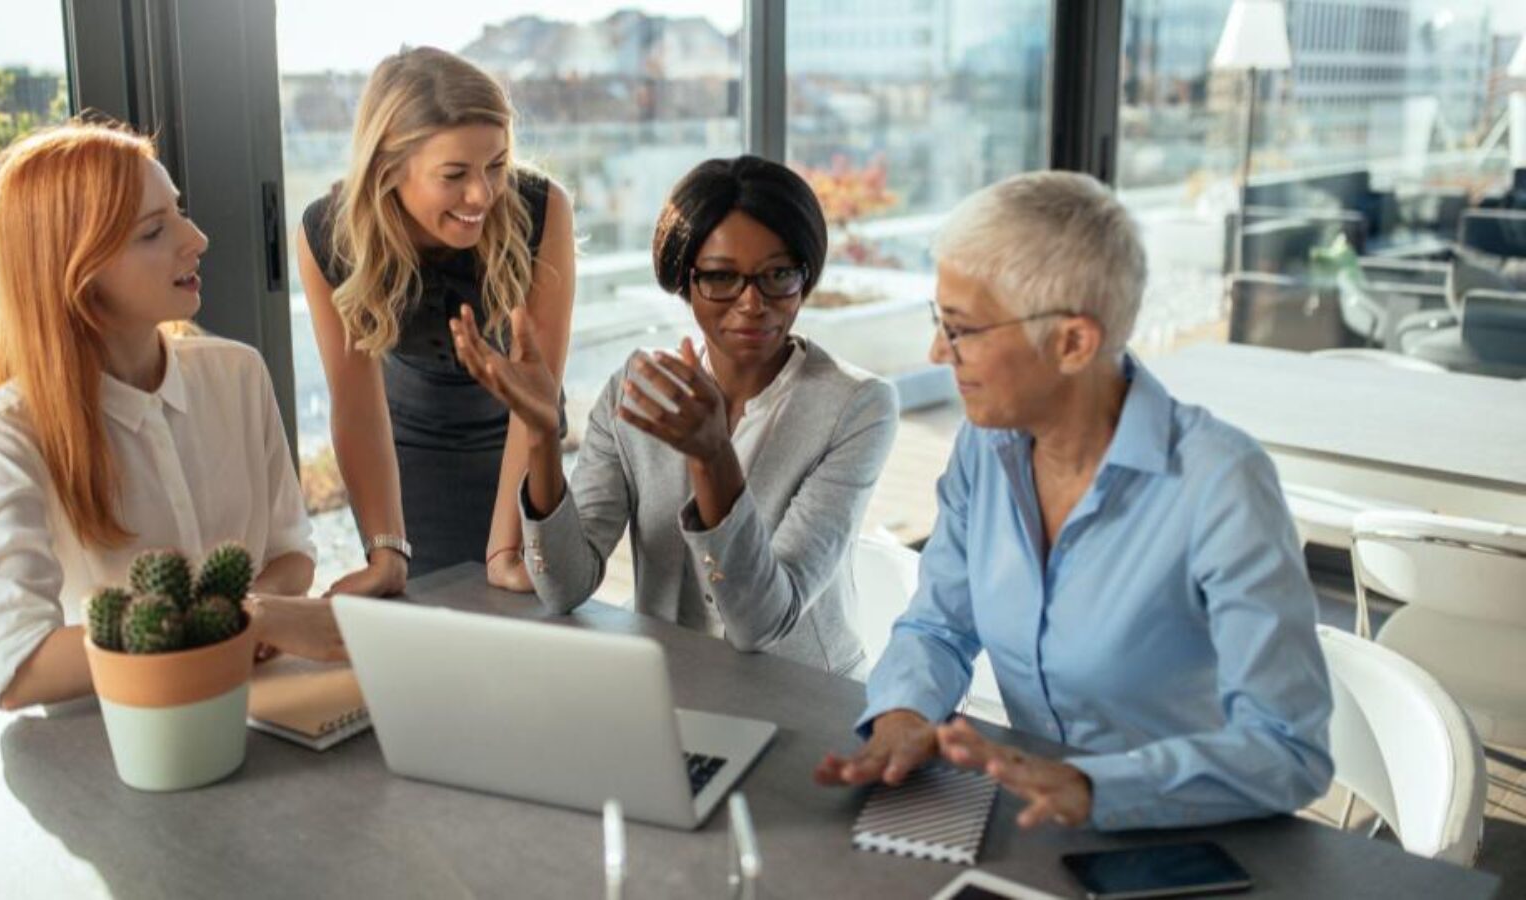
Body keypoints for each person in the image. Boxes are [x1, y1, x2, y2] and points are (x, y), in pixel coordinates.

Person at [815, 171, 1333, 830]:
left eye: (962, 328)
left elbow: (1289, 751)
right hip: (1038, 824)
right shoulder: (986, 447)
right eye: (937, 321)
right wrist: (904, 717)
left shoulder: (1219, 483)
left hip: (1195, 840)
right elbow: (939, 626)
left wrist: (1093, 786)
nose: (937, 351)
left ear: (1073, 343)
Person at [452, 156, 898, 674]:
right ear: (684, 282)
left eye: (778, 275)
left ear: (805, 276)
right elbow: (563, 587)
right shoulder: (634, 391)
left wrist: (713, 456)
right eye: (722, 277)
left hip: (807, 695)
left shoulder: (857, 406)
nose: (753, 303)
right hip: (672, 685)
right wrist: (542, 433)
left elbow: (763, 622)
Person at [0, 122, 342, 711]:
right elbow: (19, 669)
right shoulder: (6, 432)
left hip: (254, 706)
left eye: (180, 213)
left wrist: (244, 626)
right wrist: (247, 620)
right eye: (154, 231)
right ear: (79, 272)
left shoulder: (238, 374)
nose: (198, 239)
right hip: (108, 737)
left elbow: (292, 554)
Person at [298, 46, 576, 593]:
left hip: (527, 452)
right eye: (454, 174)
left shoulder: (543, 210)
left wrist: (508, 547)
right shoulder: (329, 236)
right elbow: (355, 408)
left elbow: (539, 391)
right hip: (408, 461)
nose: (482, 194)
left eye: (496, 166)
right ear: (389, 168)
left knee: (529, 620)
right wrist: (384, 553)